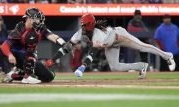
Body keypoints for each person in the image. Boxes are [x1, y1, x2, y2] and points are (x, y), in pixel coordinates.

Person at [45, 13, 175, 79]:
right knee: (114, 67)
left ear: (90, 25)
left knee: (142, 47)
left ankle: (167, 56)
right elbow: (67, 47)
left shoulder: (97, 34)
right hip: (110, 43)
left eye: (84, 25)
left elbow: (92, 52)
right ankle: (141, 66)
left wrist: (82, 67)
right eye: (82, 25)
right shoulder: (81, 33)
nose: (82, 28)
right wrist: (51, 60)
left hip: (119, 36)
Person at [1, 7, 73, 84]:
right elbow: (4, 45)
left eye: (39, 19)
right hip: (16, 56)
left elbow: (53, 36)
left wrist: (64, 43)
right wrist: (10, 55)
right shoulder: (20, 29)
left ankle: (14, 75)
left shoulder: (41, 29)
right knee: (31, 53)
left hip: (30, 59)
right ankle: (27, 77)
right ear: (28, 18)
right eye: (36, 18)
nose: (38, 21)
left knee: (49, 76)